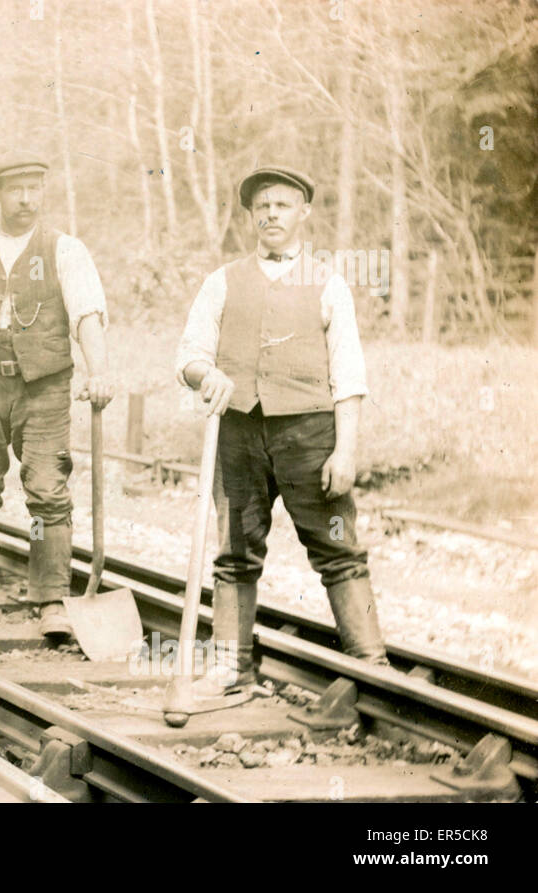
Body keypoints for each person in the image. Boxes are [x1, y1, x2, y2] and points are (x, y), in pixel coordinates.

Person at [175, 164, 390, 696]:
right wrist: (209, 374)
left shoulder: (329, 283)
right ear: (251, 216)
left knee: (338, 549)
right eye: (262, 206)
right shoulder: (221, 281)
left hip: (310, 437)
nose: (272, 213)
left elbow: (349, 374)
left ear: (303, 213)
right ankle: (232, 668)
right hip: (240, 434)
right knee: (235, 552)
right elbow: (189, 356)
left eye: (282, 205)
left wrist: (345, 450)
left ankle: (372, 665)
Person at [0, 151, 112, 638]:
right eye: (15, 190)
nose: (26, 199)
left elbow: (87, 314)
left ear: (43, 191)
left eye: (34, 188)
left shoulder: (65, 250)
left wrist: (100, 371)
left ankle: (51, 602)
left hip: (44, 385)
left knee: (48, 489)